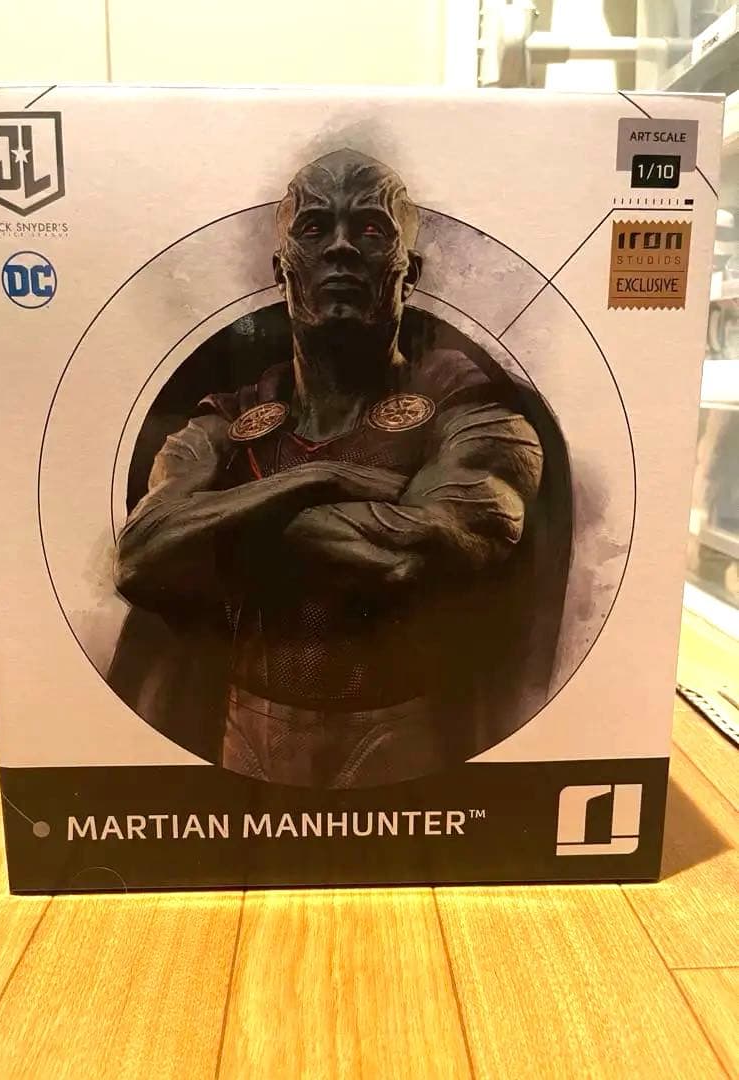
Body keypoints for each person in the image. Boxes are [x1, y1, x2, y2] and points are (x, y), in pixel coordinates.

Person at [112, 149, 551, 788]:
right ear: (282, 270)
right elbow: (141, 554)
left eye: (371, 230)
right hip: (242, 732)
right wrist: (321, 479)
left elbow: (410, 557)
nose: (341, 248)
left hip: (403, 739)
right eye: (315, 229)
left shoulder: (473, 409)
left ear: (408, 272)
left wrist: (218, 526)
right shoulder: (229, 416)